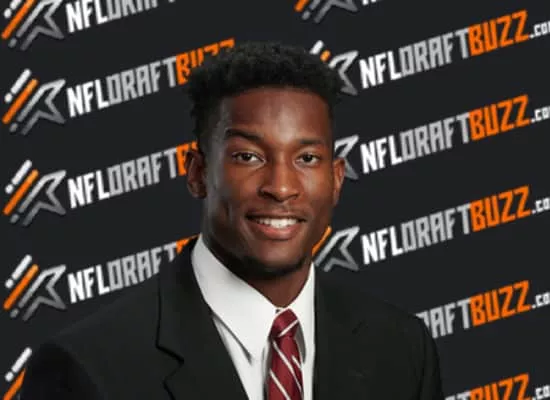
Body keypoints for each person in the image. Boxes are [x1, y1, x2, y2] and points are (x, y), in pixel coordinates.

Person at [19, 41, 444, 400]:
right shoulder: (86, 368)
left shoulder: (402, 348)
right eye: (248, 156)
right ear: (197, 173)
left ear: (336, 179)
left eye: (307, 158)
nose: (281, 187)